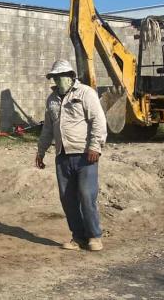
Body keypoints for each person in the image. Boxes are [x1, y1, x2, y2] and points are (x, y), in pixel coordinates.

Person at [35, 60, 107, 251]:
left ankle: (94, 236)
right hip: (62, 155)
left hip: (85, 154)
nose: (59, 80)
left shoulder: (85, 93)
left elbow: (98, 120)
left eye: (62, 76)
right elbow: (48, 129)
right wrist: (40, 151)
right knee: (67, 198)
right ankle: (78, 237)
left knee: (86, 195)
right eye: (55, 77)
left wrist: (95, 146)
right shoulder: (52, 100)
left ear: (71, 76)